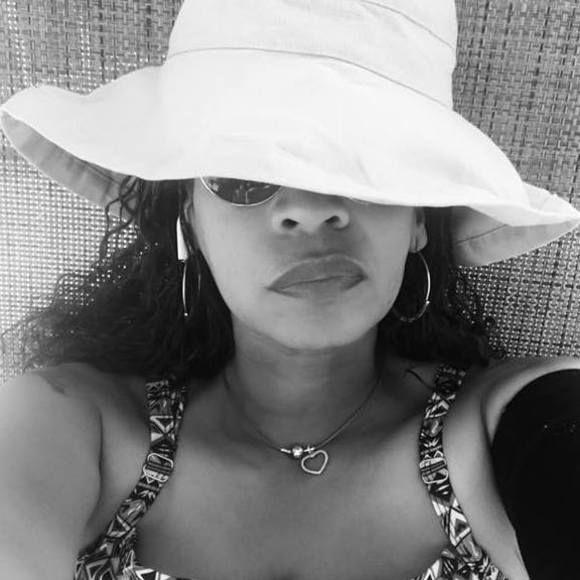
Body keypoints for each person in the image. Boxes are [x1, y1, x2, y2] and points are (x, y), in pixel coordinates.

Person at [0, 1, 579, 579]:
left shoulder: (509, 428)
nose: (309, 208)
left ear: (419, 219)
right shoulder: (67, 425)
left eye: (367, 162)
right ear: (190, 222)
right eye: (242, 172)